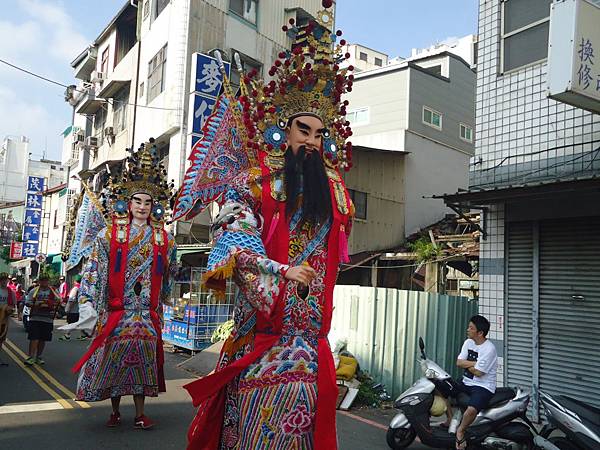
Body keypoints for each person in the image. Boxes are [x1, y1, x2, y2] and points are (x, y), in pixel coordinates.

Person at [173, 2, 355, 448]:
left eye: (319, 134)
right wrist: (280, 273)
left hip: (310, 347)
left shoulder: (332, 191)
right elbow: (232, 243)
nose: (312, 142)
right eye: (303, 130)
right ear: (283, 129)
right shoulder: (253, 184)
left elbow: (334, 253)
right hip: (263, 338)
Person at [71, 141, 177, 430]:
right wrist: (88, 304)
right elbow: (94, 270)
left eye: (148, 202)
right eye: (138, 201)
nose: (143, 207)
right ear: (127, 204)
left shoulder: (164, 239)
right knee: (115, 362)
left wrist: (167, 296)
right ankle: (115, 410)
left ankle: (140, 412)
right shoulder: (109, 235)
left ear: (155, 206)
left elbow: (169, 272)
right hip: (118, 312)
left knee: (144, 363)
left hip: (145, 316)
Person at [454, 315, 498, 449]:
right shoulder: (468, 342)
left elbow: (479, 373)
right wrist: (475, 363)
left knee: (471, 410)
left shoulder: (489, 349)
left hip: (483, 386)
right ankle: (449, 420)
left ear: (480, 333)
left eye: (471, 328)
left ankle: (460, 431)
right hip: (466, 381)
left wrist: (468, 365)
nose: (467, 329)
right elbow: (458, 362)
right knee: (442, 386)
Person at [24, 274, 60, 365]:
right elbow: (27, 302)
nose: (44, 282)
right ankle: (31, 357)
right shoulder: (34, 291)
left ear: (48, 281)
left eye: (46, 280)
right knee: (34, 338)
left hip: (47, 319)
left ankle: (38, 357)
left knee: (42, 339)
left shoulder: (54, 291)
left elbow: (59, 301)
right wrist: (37, 304)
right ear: (39, 281)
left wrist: (50, 304)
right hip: (35, 318)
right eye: (42, 280)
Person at [59, 275, 85, 341]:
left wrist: (67, 309)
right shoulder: (83, 288)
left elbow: (71, 300)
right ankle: (83, 334)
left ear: (74, 281)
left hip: (74, 309)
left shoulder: (75, 288)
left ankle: (67, 335)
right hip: (81, 308)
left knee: (71, 322)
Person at [0, 273, 17, 366]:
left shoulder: (11, 292)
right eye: (2, 279)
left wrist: (9, 309)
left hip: (4, 319)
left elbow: (13, 305)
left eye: (5, 279)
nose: (4, 281)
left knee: (1, 338)